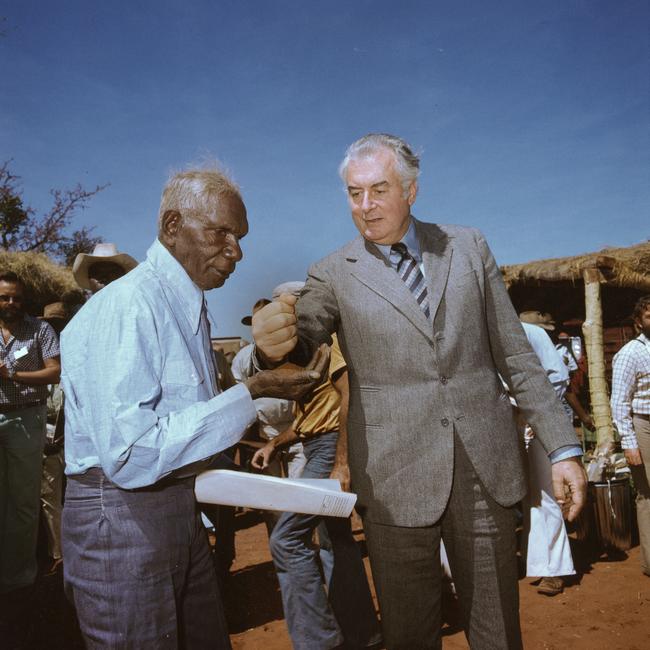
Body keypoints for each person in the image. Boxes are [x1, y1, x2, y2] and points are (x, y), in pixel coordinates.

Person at [252, 133, 587, 649]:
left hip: (483, 469)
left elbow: (516, 356)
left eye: (379, 190)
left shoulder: (468, 247)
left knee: (498, 631)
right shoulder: (332, 273)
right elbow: (305, 336)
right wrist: (276, 343)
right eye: (353, 193)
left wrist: (563, 450)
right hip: (392, 477)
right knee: (409, 634)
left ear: (411, 190)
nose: (365, 206)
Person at [60, 166, 328, 649]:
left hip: (175, 507)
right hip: (122, 516)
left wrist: (261, 374)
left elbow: (192, 409)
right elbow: (131, 452)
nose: (237, 251)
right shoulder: (132, 305)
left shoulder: (186, 306)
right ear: (172, 227)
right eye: (220, 232)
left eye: (240, 237)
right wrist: (255, 391)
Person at [252, 290, 380, 650]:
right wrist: (274, 444)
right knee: (335, 543)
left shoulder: (323, 341)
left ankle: (319, 641)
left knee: (287, 538)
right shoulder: (296, 356)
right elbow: (310, 421)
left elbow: (348, 396)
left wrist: (342, 461)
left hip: (328, 449)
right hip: (316, 446)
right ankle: (362, 635)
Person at [0, 271, 61, 643]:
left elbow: (55, 371)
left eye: (16, 298)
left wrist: (14, 376)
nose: (10, 304)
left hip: (26, 417)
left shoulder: (40, 330)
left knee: (23, 502)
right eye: (4, 297)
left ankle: (18, 579)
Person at [517, 320, 575, 597]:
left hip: (536, 419)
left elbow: (558, 376)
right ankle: (526, 557)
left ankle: (554, 568)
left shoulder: (532, 332)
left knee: (544, 494)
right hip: (496, 423)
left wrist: (535, 410)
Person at [611, 294, 650, 577]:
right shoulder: (629, 354)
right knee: (647, 494)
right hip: (644, 424)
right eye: (649, 315)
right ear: (639, 321)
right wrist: (629, 442)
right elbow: (619, 402)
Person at [39, 302, 71, 577]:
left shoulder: (76, 356)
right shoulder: (36, 356)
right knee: (50, 498)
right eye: (52, 326)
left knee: (71, 497)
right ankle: (58, 553)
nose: (55, 331)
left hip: (71, 442)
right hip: (46, 440)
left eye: (59, 326)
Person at [72, 241, 138, 294]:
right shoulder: (87, 310)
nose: (104, 278)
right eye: (96, 273)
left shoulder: (137, 307)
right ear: (89, 280)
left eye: (112, 272)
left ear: (122, 276)